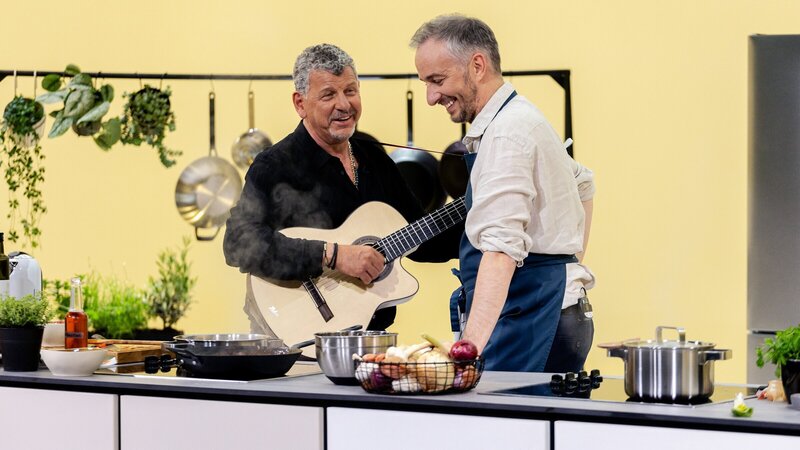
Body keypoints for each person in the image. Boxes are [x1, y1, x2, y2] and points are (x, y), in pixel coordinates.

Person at [223, 43, 460, 335]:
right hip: (292, 338)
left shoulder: (374, 160)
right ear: (300, 103)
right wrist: (333, 255)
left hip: (371, 338)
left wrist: (482, 216)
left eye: (350, 91)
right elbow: (237, 243)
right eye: (328, 95)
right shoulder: (275, 164)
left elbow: (420, 238)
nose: (344, 105)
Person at [411, 15, 596, 372]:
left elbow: (499, 253)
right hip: (553, 310)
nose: (431, 97)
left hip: (532, 319)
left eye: (437, 81)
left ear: (477, 65)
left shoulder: (507, 135)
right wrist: (568, 266)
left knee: (505, 427)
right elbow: (584, 183)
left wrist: (468, 350)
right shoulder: (521, 118)